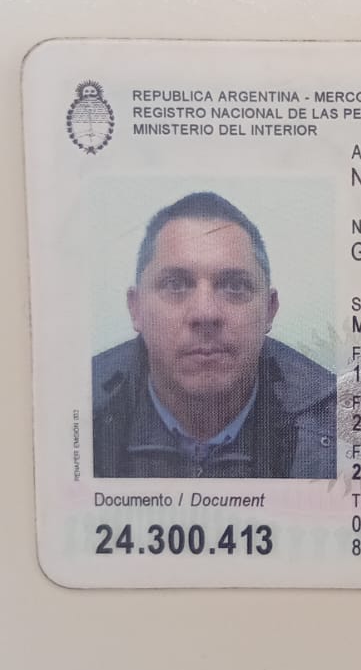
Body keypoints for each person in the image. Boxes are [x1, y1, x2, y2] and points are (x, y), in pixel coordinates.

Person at [92, 192, 336, 479]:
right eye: (175, 285)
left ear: (269, 311)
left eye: (234, 286)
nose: (205, 313)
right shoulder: (78, 409)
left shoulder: (334, 424)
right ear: (136, 309)